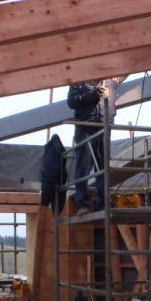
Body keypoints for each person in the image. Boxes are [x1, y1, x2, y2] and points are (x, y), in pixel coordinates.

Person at [67, 80, 105, 215]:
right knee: (83, 166)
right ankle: (82, 204)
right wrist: (90, 95)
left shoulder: (106, 82)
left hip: (102, 126)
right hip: (84, 126)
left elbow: (120, 78)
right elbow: (71, 102)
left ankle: (102, 203)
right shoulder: (79, 81)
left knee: (102, 167)